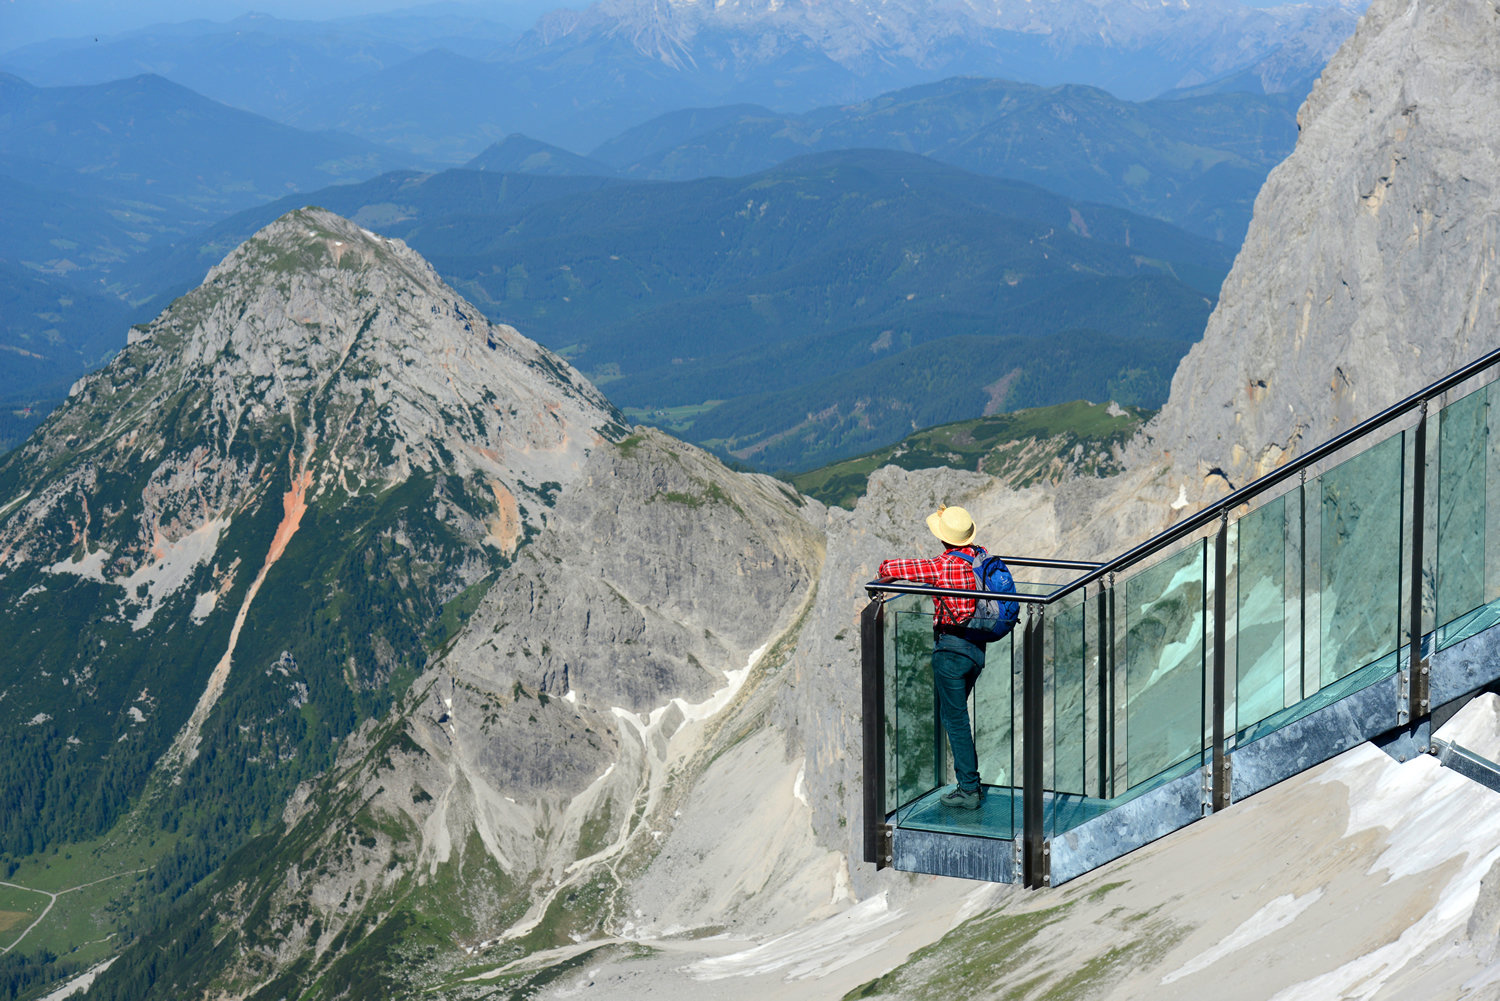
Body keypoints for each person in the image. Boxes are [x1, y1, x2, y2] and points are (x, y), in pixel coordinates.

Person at [878, 504, 990, 810]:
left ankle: (969, 789)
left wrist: (882, 576)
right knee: (953, 715)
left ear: (944, 539)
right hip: (977, 648)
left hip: (951, 651)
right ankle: (968, 783)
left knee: (955, 719)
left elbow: (894, 568)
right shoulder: (980, 556)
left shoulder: (944, 565)